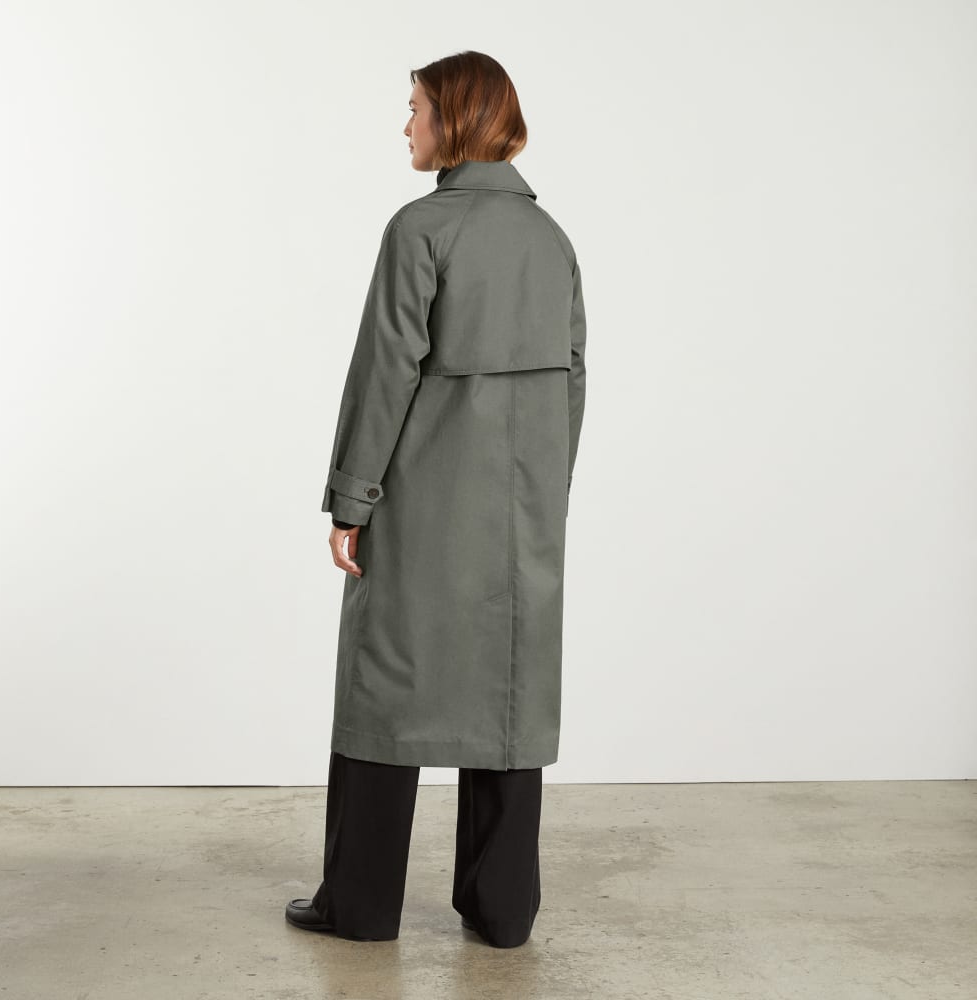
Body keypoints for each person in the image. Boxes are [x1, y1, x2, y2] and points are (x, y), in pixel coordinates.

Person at [286, 50, 588, 948]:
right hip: (524, 518)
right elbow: (573, 379)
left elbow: (384, 373)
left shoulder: (420, 229)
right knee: (510, 700)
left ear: (454, 118)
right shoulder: (552, 239)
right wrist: (547, 495)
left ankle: (359, 905)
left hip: (421, 506)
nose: (406, 124)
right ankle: (502, 911)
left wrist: (351, 499)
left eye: (415, 107)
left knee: (385, 687)